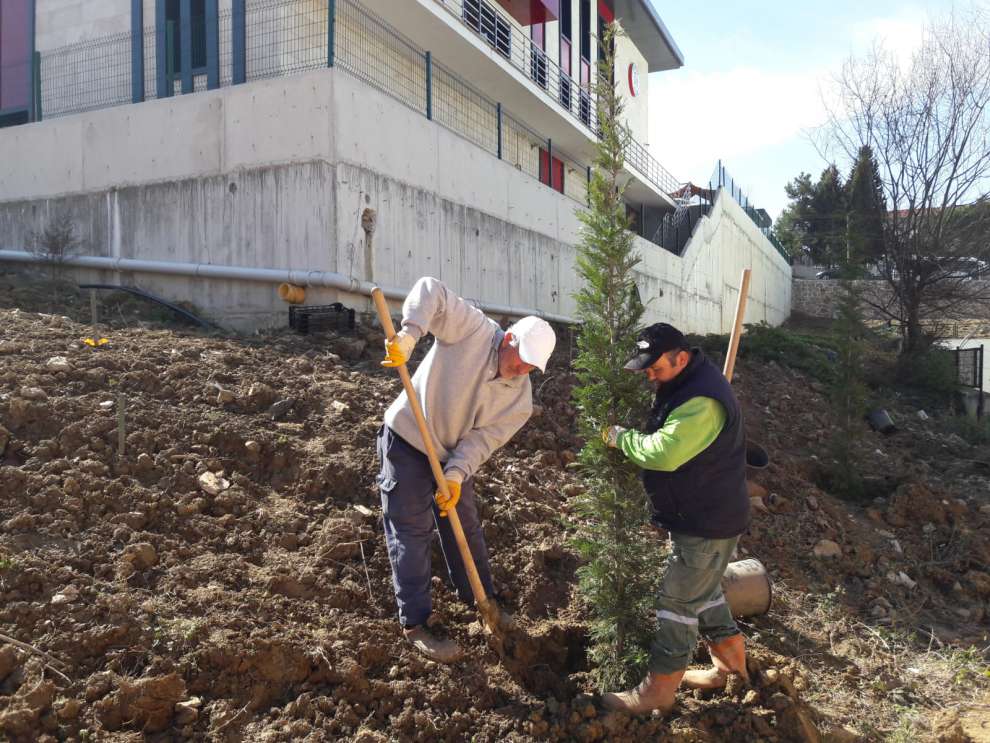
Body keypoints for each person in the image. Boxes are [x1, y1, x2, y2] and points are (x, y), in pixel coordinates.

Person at [376, 276, 556, 663]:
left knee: (465, 525)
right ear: (508, 338)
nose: (521, 370)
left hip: (450, 455)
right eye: (520, 359)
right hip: (408, 438)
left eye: (530, 368)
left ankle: (480, 598)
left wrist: (456, 474)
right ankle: (416, 624)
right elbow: (430, 289)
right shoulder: (474, 330)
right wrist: (410, 335)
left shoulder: (519, 402)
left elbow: (480, 441)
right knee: (412, 530)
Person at [600, 322, 751, 714]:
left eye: (656, 368)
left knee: (677, 603)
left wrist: (621, 438)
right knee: (705, 593)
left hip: (706, 521)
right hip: (705, 515)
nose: (650, 375)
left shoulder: (702, 400)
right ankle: (731, 671)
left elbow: (665, 453)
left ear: (681, 358)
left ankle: (657, 693)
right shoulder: (690, 381)